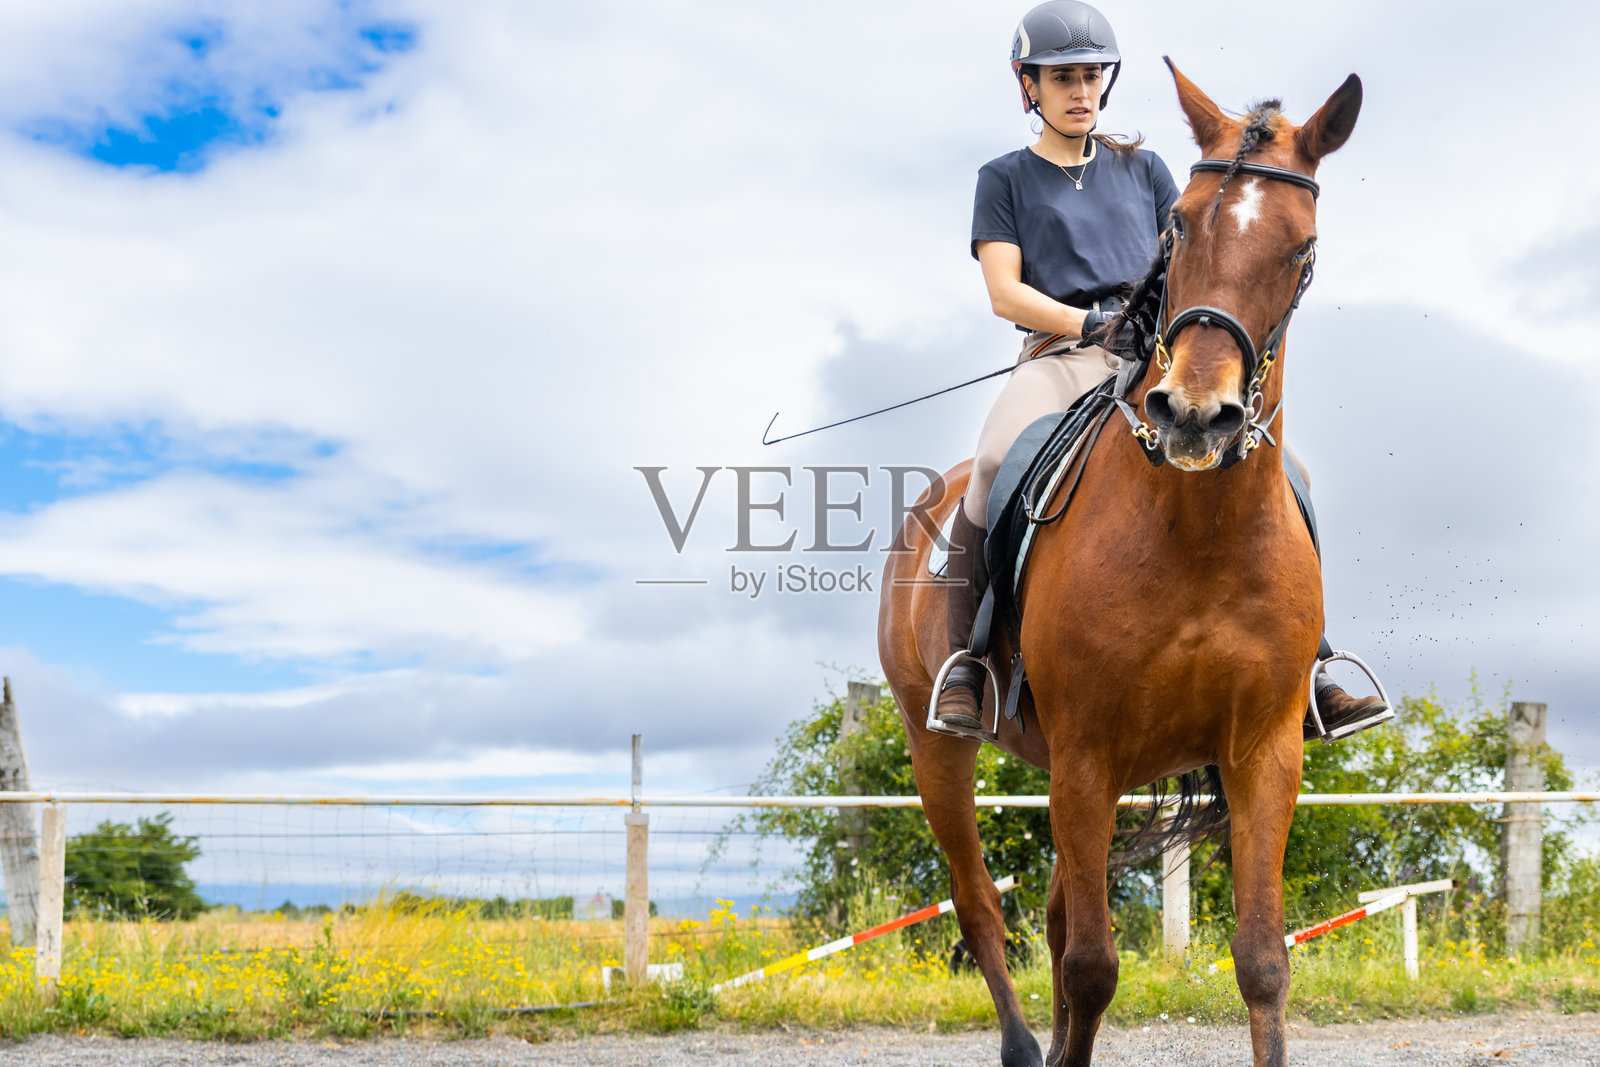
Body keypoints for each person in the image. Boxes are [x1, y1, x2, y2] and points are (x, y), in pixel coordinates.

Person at [935, 0, 1390, 742]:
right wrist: (1086, 323)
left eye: (1090, 76)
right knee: (991, 460)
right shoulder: (1004, 178)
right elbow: (1003, 291)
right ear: (1030, 87)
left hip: (1154, 350)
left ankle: (1312, 664)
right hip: (1061, 353)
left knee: (1289, 470)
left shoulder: (1143, 169)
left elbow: (1188, 253)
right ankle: (970, 658)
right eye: (1062, 79)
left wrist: (1172, 330)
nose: (1080, 92)